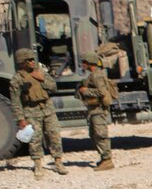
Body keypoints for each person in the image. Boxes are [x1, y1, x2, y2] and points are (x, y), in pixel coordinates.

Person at [9, 48, 67, 177]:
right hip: (30, 111)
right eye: (28, 60)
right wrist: (21, 119)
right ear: (21, 62)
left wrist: (41, 79)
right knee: (35, 140)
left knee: (54, 136)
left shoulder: (41, 73)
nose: (31, 62)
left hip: (48, 109)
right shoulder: (17, 79)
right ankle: (38, 165)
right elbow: (15, 101)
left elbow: (53, 88)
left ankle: (58, 162)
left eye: (32, 59)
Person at [77, 51, 115, 170]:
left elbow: (101, 92)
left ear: (90, 63)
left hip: (98, 109)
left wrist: (85, 91)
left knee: (100, 134)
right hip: (94, 109)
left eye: (84, 62)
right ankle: (104, 158)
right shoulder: (93, 74)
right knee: (94, 134)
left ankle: (107, 160)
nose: (83, 64)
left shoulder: (97, 75)